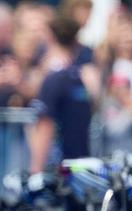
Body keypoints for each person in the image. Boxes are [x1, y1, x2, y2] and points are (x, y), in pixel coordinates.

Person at [28, 15, 94, 172]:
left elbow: (46, 125)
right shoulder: (79, 76)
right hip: (79, 163)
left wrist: (35, 170)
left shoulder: (53, 79)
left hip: (59, 167)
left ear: (50, 36)